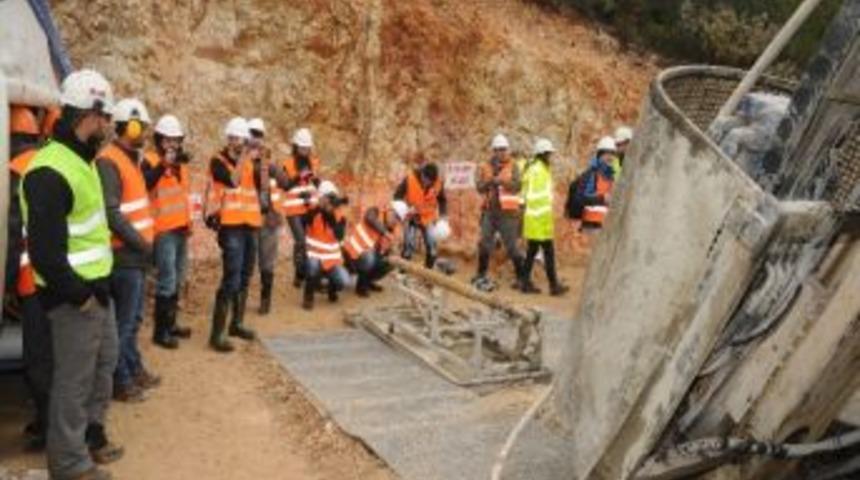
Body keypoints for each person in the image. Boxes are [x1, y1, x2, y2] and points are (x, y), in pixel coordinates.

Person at [21, 69, 122, 480]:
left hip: (97, 292)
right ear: (90, 115)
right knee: (73, 382)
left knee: (104, 366)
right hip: (73, 300)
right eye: (106, 118)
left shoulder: (83, 162)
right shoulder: (50, 170)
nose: (109, 127)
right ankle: (68, 465)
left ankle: (90, 437)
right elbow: (45, 255)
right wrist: (80, 296)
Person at [96, 98, 160, 403]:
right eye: (141, 126)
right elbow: (112, 214)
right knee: (122, 325)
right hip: (124, 257)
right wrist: (142, 244)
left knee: (133, 320)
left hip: (136, 257)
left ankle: (133, 369)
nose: (144, 132)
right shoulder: (110, 161)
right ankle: (119, 382)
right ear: (130, 126)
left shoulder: (130, 158)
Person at [7, 105, 51, 451]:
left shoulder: (13, 173)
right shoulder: (51, 162)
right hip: (59, 277)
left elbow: (9, 235)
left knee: (38, 360)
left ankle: (48, 428)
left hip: (31, 280)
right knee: (56, 356)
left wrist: (5, 287)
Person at [205, 117, 262, 353]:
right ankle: (217, 334)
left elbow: (260, 187)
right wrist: (244, 157)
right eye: (235, 138)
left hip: (250, 224)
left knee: (246, 275)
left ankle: (236, 323)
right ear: (229, 139)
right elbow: (233, 181)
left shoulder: (248, 161)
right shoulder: (217, 161)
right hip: (230, 227)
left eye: (241, 138)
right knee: (231, 277)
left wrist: (260, 161)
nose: (238, 142)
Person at [141, 114, 193, 349]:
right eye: (168, 140)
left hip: (181, 229)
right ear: (159, 140)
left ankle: (171, 324)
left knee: (178, 278)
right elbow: (146, 184)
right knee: (167, 280)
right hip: (163, 231)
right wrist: (164, 164)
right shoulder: (150, 161)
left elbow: (182, 196)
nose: (173, 144)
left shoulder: (180, 165)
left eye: (176, 140)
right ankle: (160, 332)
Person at [472, 134, 526, 292]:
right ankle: (481, 274)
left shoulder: (513, 166)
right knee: (484, 243)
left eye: (503, 150)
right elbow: (479, 187)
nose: (501, 153)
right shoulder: (485, 166)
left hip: (508, 213)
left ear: (507, 150)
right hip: (490, 211)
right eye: (498, 150)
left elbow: (518, 186)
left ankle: (521, 277)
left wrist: (502, 182)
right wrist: (490, 182)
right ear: (493, 151)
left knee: (511, 247)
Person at [521, 138, 569, 296]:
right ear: (542, 154)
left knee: (532, 252)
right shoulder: (539, 170)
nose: (550, 157)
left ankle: (525, 283)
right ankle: (553, 285)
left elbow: (527, 194)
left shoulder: (534, 168)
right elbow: (538, 197)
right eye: (548, 154)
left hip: (536, 219)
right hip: (539, 220)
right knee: (547, 253)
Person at [278, 128, 320, 288]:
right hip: (293, 210)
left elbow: (315, 182)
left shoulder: (314, 162)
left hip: (309, 208)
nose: (305, 151)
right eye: (302, 148)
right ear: (295, 147)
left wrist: (322, 188)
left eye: (307, 148)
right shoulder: (287, 164)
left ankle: (299, 274)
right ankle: (302, 272)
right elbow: (285, 185)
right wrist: (298, 177)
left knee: (304, 243)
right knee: (301, 241)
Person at [247, 118, 281, 315]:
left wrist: (268, 164)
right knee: (248, 263)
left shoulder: (269, 163)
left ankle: (265, 300)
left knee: (267, 263)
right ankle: (239, 303)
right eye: (253, 135)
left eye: (259, 135)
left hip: (269, 219)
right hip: (249, 220)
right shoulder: (243, 164)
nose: (256, 140)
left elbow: (284, 181)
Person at [344, 200, 408, 296]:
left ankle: (368, 282)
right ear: (390, 211)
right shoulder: (375, 212)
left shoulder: (392, 229)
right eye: (396, 217)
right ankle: (361, 286)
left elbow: (383, 250)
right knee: (370, 257)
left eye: (398, 219)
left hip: (367, 255)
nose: (395, 221)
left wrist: (393, 252)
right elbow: (369, 218)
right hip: (351, 253)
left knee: (389, 263)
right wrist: (385, 233)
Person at [302, 181, 349, 310]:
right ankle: (308, 296)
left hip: (331, 260)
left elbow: (339, 235)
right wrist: (319, 206)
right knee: (312, 267)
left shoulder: (339, 216)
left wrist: (331, 215)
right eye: (328, 198)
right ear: (321, 198)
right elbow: (304, 220)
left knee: (344, 281)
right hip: (315, 257)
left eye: (332, 199)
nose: (330, 202)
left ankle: (331, 289)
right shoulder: (313, 212)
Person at [394, 159, 447, 269]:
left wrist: (443, 217)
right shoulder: (410, 179)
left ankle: (428, 275)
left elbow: (442, 200)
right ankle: (402, 273)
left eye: (430, 182)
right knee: (409, 245)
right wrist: (405, 209)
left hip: (428, 217)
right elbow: (397, 197)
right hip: (411, 216)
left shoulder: (437, 182)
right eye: (425, 180)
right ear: (422, 173)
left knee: (432, 246)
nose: (427, 183)